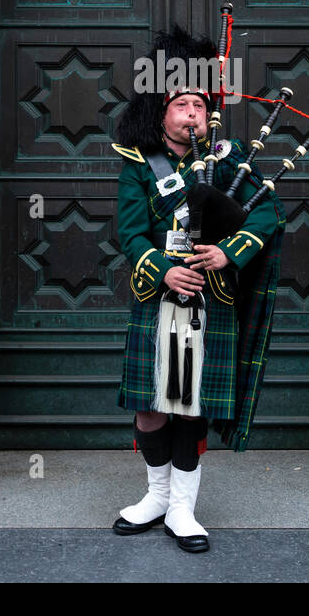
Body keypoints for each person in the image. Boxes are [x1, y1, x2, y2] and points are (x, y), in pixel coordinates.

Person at [108, 27, 285, 553]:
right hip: (157, 298)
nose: (192, 113)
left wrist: (229, 253)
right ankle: (156, 497)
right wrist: (162, 267)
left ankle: (183, 508)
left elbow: (269, 213)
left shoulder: (232, 160)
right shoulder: (140, 164)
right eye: (182, 104)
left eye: (199, 105)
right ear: (160, 113)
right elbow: (129, 233)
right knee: (150, 407)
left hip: (211, 301)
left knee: (191, 405)